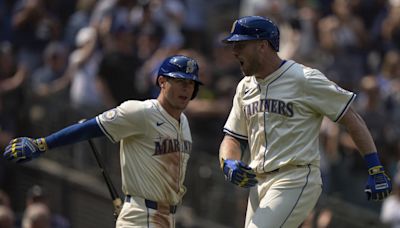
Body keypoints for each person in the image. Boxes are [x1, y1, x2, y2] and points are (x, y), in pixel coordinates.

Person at [218, 15, 392, 228]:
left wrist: (375, 167)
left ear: (262, 46)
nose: (234, 52)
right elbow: (232, 138)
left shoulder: (303, 78)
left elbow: (352, 118)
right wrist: (229, 162)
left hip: (295, 178)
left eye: (241, 45)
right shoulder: (245, 87)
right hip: (258, 182)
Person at [3, 54, 203, 228]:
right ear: (162, 81)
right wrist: (42, 144)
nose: (187, 88)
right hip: (141, 216)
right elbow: (89, 128)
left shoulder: (183, 122)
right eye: (180, 81)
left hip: (167, 218)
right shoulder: (141, 112)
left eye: (191, 83)